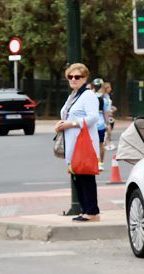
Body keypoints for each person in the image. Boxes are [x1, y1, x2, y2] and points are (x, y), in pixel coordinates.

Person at [55, 63, 100, 222]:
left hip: (83, 142)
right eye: (70, 77)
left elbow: (93, 117)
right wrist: (62, 123)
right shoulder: (73, 96)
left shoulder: (88, 95)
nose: (73, 79)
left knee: (85, 176)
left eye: (77, 77)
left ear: (85, 78)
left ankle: (92, 211)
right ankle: (85, 209)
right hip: (72, 141)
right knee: (77, 176)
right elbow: (68, 114)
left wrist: (72, 124)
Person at [92, 78, 108, 166]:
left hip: (92, 124)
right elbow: (106, 113)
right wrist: (107, 124)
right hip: (101, 123)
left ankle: (93, 162)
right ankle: (100, 163)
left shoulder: (90, 97)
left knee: (91, 144)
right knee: (101, 144)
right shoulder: (104, 99)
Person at [102, 82, 117, 151]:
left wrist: (112, 108)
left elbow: (108, 105)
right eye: (109, 87)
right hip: (105, 114)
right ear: (106, 88)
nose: (111, 89)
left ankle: (106, 143)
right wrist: (108, 111)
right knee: (108, 128)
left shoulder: (107, 96)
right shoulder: (103, 96)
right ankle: (106, 143)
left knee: (109, 128)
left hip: (109, 113)